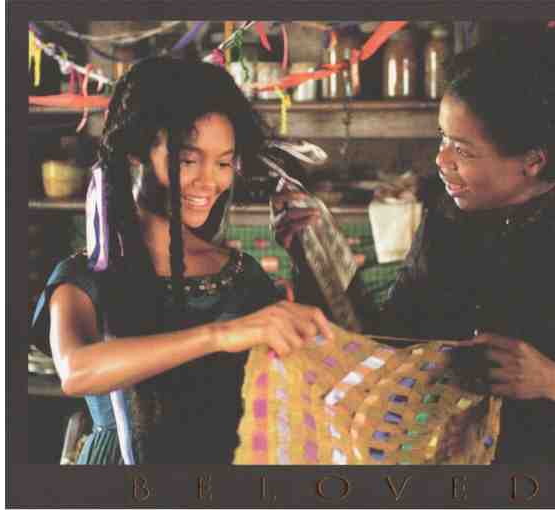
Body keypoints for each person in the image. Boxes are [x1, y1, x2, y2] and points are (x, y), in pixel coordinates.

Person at [274, 38, 555, 464]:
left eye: (462, 150)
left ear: (533, 161)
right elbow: (394, 345)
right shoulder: (447, 221)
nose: (441, 160)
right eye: (443, 138)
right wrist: (321, 261)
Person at [31, 57, 333, 464]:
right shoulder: (85, 276)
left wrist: (307, 259)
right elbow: (77, 371)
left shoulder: (239, 274)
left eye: (223, 162)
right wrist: (219, 335)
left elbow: (305, 374)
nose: (209, 180)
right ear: (135, 154)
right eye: (188, 160)